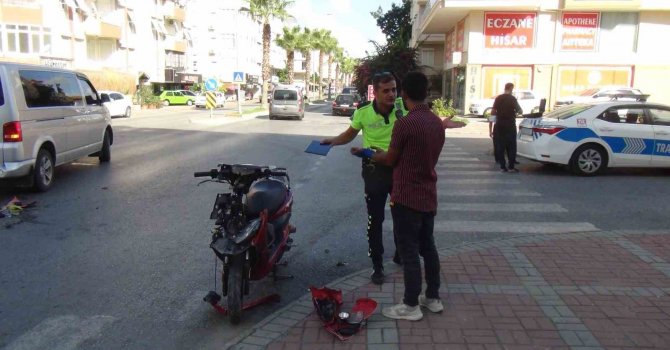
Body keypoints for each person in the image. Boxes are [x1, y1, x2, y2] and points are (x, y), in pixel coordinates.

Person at [371, 71, 464, 321]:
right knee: (428, 247)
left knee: (409, 251)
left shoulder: (405, 124)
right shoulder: (436, 123)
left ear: (404, 93)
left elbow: (391, 159)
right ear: (426, 93)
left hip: (406, 196)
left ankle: (410, 304)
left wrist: (372, 154)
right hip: (427, 193)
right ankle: (432, 297)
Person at [320, 72, 407, 285]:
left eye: (394, 89)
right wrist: (332, 141)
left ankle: (400, 252)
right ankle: (377, 265)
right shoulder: (363, 112)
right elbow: (350, 134)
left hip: (399, 169)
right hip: (374, 169)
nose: (391, 94)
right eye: (385, 90)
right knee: (375, 220)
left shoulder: (402, 109)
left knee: (402, 216)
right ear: (375, 92)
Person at [491, 83, 522, 173]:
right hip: (510, 125)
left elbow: (493, 111)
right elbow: (520, 110)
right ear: (511, 88)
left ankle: (502, 167)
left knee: (501, 145)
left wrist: (496, 118)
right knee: (511, 146)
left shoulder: (498, 98)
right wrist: (516, 113)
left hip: (499, 125)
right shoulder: (512, 99)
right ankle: (511, 167)